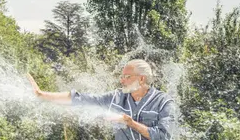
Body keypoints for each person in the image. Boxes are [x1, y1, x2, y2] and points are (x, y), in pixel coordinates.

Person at [26, 59, 177, 140]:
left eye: (127, 77)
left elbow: (163, 136)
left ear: (142, 79)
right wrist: (42, 95)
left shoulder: (164, 103)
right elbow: (81, 99)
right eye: (121, 76)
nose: (122, 81)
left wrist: (131, 123)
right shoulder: (116, 97)